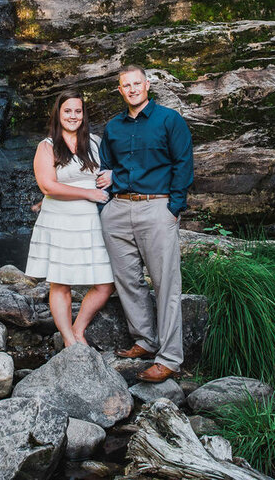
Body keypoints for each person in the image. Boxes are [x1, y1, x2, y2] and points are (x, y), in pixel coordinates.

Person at [98, 65, 193, 383]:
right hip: (118, 210)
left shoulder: (169, 120)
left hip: (156, 208)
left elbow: (183, 164)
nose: (132, 89)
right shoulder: (112, 128)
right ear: (120, 90)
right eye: (126, 85)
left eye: (137, 83)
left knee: (166, 284)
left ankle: (169, 358)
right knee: (127, 280)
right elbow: (106, 169)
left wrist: (174, 208)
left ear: (147, 85)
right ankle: (145, 340)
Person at [25, 90, 116, 349]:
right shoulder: (47, 146)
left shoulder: (96, 142)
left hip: (92, 221)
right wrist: (87, 193)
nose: (73, 116)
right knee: (60, 282)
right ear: (58, 114)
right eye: (67, 111)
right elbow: (48, 186)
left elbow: (112, 168)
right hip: (59, 220)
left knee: (106, 283)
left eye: (78, 111)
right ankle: (69, 340)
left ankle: (78, 328)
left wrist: (110, 175)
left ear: (84, 114)